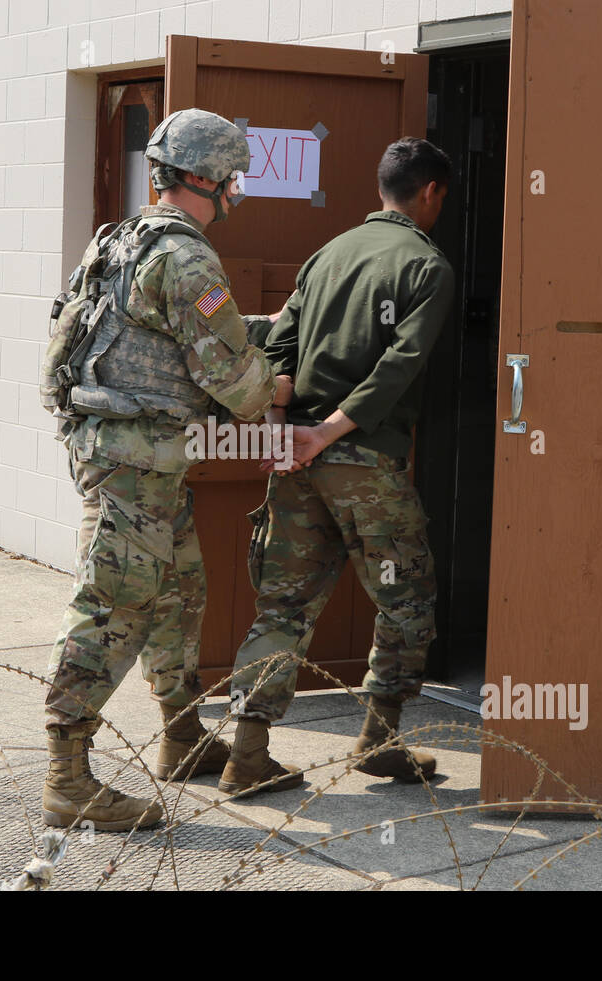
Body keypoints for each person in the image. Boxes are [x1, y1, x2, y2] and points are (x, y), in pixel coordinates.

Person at [40, 108, 291, 830]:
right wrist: (281, 381)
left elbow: (169, 337)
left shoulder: (122, 237)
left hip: (136, 455)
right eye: (233, 179)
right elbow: (239, 388)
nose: (237, 192)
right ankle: (67, 777)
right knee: (113, 603)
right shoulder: (186, 258)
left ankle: (181, 735)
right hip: (131, 462)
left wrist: (266, 331)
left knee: (180, 589)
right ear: (206, 178)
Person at [220, 137, 457, 797]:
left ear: (382, 186)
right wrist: (328, 432)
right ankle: (379, 740)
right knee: (406, 599)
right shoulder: (426, 266)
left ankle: (246, 751)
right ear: (432, 192)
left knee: (283, 605)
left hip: (298, 458)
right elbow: (398, 367)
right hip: (363, 461)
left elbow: (281, 344)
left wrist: (288, 430)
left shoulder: (329, 253)